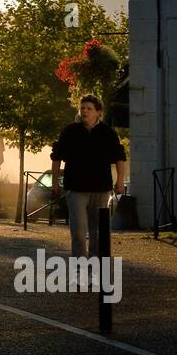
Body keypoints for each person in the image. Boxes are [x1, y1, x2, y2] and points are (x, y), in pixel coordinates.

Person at [50, 94, 126, 262]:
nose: (84, 111)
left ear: (98, 112)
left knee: (98, 232)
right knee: (78, 231)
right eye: (82, 108)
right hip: (76, 189)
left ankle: (96, 267)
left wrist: (120, 181)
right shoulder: (70, 131)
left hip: (101, 188)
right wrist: (55, 182)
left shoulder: (108, 133)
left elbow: (120, 157)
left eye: (89, 108)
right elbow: (56, 157)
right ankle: (80, 269)